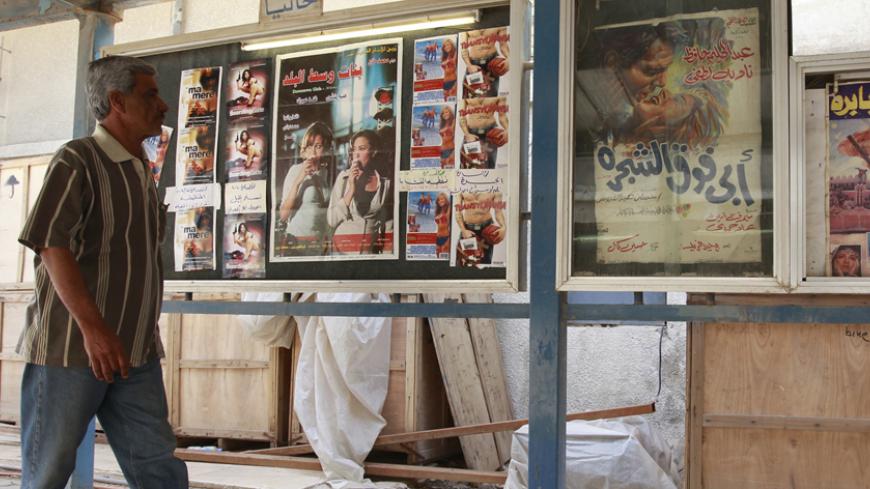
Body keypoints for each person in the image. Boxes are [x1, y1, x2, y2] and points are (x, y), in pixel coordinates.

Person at [16, 55, 188, 488]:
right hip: (72, 352)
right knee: (48, 474)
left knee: (159, 468)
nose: (163, 104)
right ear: (117, 101)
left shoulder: (140, 170)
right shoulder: (77, 159)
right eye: (149, 94)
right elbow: (49, 242)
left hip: (135, 354)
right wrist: (94, 329)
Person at [328, 130, 392, 255]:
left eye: (362, 149)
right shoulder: (343, 178)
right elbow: (331, 220)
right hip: (340, 250)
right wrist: (351, 188)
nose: (356, 154)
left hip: (367, 254)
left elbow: (388, 223)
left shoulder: (385, 184)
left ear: (373, 152)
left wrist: (387, 254)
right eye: (354, 149)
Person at [278, 122, 334, 255]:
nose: (313, 151)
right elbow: (283, 215)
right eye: (309, 146)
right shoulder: (295, 170)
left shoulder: (326, 173)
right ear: (304, 147)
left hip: (319, 246)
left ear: (325, 148)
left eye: (318, 146)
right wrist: (299, 179)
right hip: (297, 243)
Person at [454, 190, 506, 266]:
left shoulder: (495, 188)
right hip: (468, 229)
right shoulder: (461, 188)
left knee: (485, 263)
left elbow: (498, 212)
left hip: (486, 230)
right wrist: (463, 230)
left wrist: (503, 227)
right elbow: (457, 211)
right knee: (464, 261)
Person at [458, 96, 509, 169]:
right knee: (468, 165)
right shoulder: (467, 93)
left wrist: (508, 129)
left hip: (491, 134)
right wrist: (467, 133)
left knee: (489, 167)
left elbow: (502, 116)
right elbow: (461, 117)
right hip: (472, 134)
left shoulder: (498, 95)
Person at [460, 27, 510, 98]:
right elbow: (464, 48)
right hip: (474, 64)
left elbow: (503, 45)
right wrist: (469, 65)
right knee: (471, 95)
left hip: (492, 63)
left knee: (490, 97)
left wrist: (509, 59)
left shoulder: (499, 25)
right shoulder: (466, 25)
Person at [434, 192, 451, 258]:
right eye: (439, 199)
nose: (440, 201)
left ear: (446, 199)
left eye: (442, 199)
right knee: (437, 256)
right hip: (438, 237)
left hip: (446, 237)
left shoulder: (449, 208)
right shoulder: (438, 211)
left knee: (444, 257)